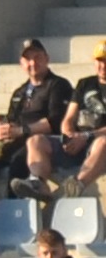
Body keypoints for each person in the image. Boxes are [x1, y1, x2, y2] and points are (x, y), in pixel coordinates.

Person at [0, 40, 72, 205]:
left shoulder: (59, 85)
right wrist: (2, 132)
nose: (33, 63)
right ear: (21, 63)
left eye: (37, 57)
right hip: (14, 143)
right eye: (28, 59)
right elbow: (11, 120)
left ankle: (16, 217)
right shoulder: (20, 92)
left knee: (18, 167)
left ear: (47, 58)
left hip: (41, 144)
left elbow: (56, 122)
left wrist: (22, 130)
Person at [36, 39, 106, 199]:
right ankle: (38, 186)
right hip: (78, 141)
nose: (103, 65)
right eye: (100, 61)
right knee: (36, 141)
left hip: (100, 143)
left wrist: (86, 136)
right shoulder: (85, 84)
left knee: (103, 143)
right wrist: (69, 134)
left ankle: (77, 185)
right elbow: (69, 117)